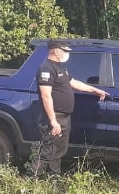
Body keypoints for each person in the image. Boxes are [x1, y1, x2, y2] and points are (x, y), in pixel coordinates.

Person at [31, 38, 109, 177]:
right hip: (54, 116)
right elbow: (46, 96)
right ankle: (32, 179)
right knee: (47, 150)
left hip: (64, 116)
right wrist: (53, 121)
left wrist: (94, 90)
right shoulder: (46, 68)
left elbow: (74, 83)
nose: (67, 53)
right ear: (55, 50)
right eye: (64, 50)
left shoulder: (61, 67)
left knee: (58, 150)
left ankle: (54, 177)